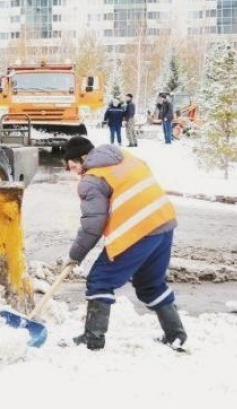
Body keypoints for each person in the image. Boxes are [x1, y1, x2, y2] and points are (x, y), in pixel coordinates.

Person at [62, 136, 187, 351]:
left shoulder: (91, 180)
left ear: (83, 157)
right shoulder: (125, 157)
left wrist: (75, 256)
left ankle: (93, 339)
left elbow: (93, 226)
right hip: (163, 222)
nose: (74, 172)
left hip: (137, 230)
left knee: (100, 280)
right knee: (151, 284)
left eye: (73, 166)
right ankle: (175, 334)